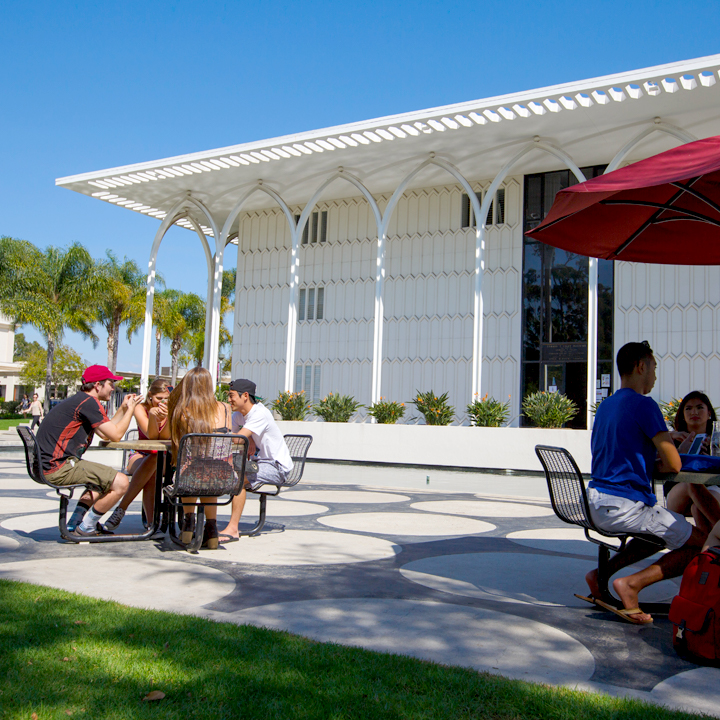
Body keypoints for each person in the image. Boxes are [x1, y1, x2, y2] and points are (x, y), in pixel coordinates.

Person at [583, 341, 706, 624]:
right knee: (703, 543)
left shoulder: (605, 406)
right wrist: (672, 443)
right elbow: (674, 465)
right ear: (641, 366)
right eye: (654, 368)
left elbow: (621, 453)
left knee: (656, 535)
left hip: (596, 503)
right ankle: (631, 585)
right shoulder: (645, 405)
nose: (655, 376)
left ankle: (599, 576)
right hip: (626, 506)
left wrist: (661, 440)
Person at [35, 365, 140, 537]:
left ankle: (75, 523)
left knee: (101, 482)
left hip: (49, 466)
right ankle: (86, 527)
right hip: (58, 467)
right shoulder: (89, 403)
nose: (113, 387)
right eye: (110, 383)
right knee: (121, 482)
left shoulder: (82, 400)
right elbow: (115, 435)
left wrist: (122, 408)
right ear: (98, 385)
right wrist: (131, 410)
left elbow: (105, 432)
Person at [155, 367, 232, 549]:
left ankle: (188, 524)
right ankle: (211, 528)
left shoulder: (183, 411)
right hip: (225, 477)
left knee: (193, 471)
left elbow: (169, 437)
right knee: (210, 471)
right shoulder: (225, 408)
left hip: (191, 477)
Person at [217, 378, 293, 543]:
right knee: (228, 471)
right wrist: (248, 438)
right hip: (261, 462)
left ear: (245, 396)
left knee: (238, 477)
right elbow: (238, 437)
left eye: (231, 396)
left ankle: (233, 529)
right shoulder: (239, 415)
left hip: (277, 467)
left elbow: (236, 439)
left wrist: (244, 437)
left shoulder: (259, 413)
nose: (228, 400)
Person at [102, 379, 171, 532]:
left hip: (163, 458)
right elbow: (151, 435)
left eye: (166, 399)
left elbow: (164, 438)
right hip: (140, 454)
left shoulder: (171, 410)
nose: (162, 402)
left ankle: (122, 509)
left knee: (154, 463)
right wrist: (153, 417)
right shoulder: (141, 408)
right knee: (152, 467)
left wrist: (167, 418)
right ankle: (152, 525)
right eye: (159, 398)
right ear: (151, 396)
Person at [665, 391, 720, 536]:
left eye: (699, 407)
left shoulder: (716, 442)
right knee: (692, 482)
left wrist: (712, 457)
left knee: (698, 508)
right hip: (678, 492)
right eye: (688, 408)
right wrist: (679, 451)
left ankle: (706, 552)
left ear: (709, 413)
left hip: (712, 489)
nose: (694, 412)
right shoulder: (672, 439)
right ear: (682, 415)